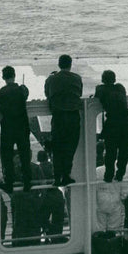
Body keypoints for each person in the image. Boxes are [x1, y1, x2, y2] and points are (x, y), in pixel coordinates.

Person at [45, 54, 83, 186]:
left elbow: (47, 94)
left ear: (59, 64)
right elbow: (79, 93)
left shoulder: (51, 79)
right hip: (73, 116)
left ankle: (57, 178)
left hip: (58, 116)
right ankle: (66, 175)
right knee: (70, 147)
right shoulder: (77, 78)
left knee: (57, 148)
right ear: (70, 65)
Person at [0, 65, 33, 194]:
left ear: (3, 77)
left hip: (8, 128)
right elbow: (26, 95)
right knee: (25, 155)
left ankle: (9, 183)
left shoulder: (1, 92)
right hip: (22, 127)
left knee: (7, 156)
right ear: (14, 76)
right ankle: (27, 182)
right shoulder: (22, 89)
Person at [94, 70, 128, 183]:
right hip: (126, 121)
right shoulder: (120, 88)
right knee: (124, 149)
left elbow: (97, 97)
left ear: (103, 79)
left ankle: (109, 175)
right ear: (114, 79)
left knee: (111, 151)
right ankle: (120, 174)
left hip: (113, 122)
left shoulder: (101, 89)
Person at [95, 150, 128, 230]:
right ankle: (111, 237)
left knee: (100, 226)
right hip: (115, 200)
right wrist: (123, 197)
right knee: (114, 226)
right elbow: (125, 186)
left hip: (100, 199)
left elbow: (94, 187)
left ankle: (101, 237)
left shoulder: (97, 170)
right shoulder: (120, 171)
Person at [37, 150, 66, 243]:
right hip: (57, 195)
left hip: (45, 196)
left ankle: (49, 232)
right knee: (58, 219)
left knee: (42, 218)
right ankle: (56, 237)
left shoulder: (38, 168)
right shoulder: (53, 166)